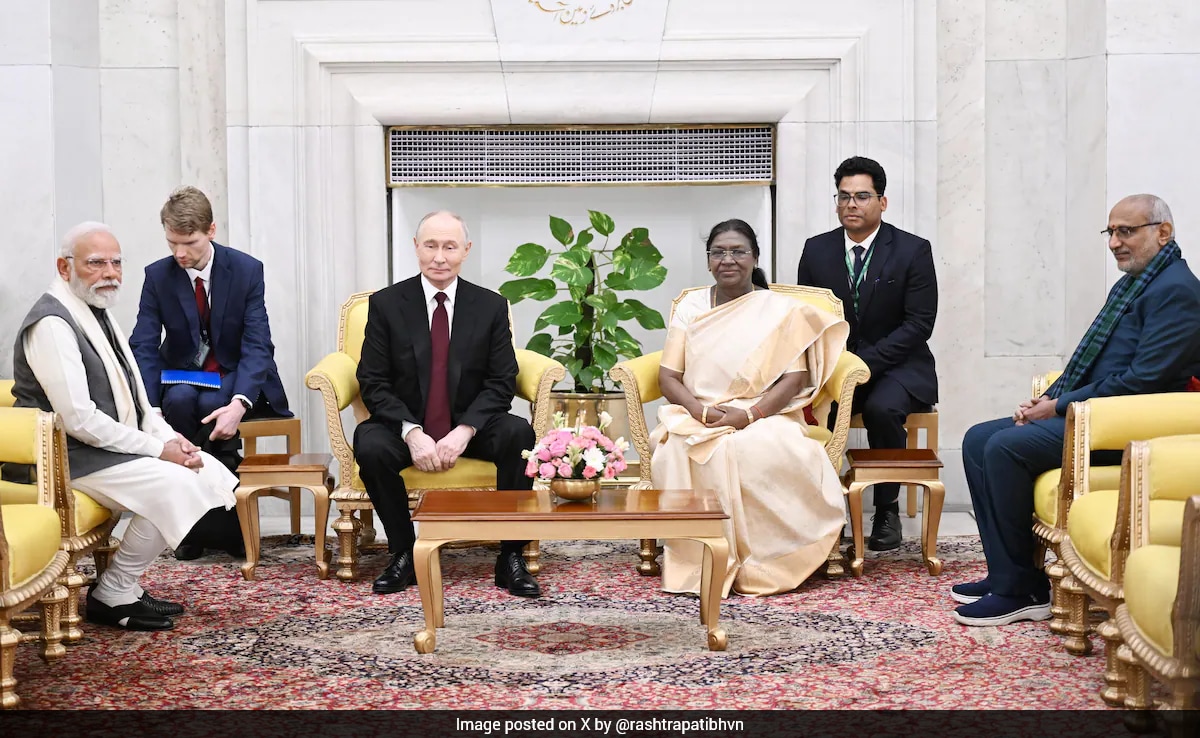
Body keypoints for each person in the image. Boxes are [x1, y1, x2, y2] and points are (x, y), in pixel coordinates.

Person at [954, 194, 1200, 626]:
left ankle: (1023, 593)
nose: (1115, 242)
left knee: (1004, 448)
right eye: (1111, 232)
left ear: (1163, 232)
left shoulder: (1177, 292)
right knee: (977, 438)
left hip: (1129, 425)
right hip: (1096, 411)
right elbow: (1093, 359)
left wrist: (1059, 405)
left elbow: (1144, 381)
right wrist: (1050, 395)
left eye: (1127, 231)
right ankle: (1006, 574)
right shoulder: (1136, 282)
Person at [11, 222, 238, 631]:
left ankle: (124, 588)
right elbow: (78, 419)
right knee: (179, 483)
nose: (110, 272)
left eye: (115, 262)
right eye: (95, 263)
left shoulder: (98, 312)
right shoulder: (52, 324)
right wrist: (157, 450)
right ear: (65, 268)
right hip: (65, 459)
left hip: (100, 449)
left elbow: (136, 398)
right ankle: (113, 591)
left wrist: (170, 438)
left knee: (206, 470)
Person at [651, 219, 849, 597]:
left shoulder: (778, 310)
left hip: (764, 412)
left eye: (738, 251)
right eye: (719, 252)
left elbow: (793, 379)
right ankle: (706, 560)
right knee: (683, 448)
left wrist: (749, 415)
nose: (728, 259)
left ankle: (767, 562)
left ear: (754, 257)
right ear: (708, 260)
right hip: (699, 413)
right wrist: (701, 412)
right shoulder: (691, 305)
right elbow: (668, 377)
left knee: (756, 447)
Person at [353, 210, 539, 598]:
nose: (439, 256)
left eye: (449, 247)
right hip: (405, 425)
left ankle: (511, 555)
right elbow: (373, 381)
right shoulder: (387, 304)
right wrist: (412, 432)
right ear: (416, 248)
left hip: (470, 424)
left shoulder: (489, 306)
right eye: (431, 245)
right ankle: (403, 552)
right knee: (369, 443)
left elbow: (501, 381)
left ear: (465, 251)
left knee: (518, 433)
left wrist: (464, 431)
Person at [130, 186, 291, 561]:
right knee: (181, 401)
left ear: (211, 231)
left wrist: (240, 404)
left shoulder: (247, 270)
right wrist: (149, 407)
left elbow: (258, 344)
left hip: (234, 374)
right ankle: (203, 528)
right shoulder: (158, 276)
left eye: (189, 243)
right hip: (183, 375)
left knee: (211, 405)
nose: (180, 253)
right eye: (172, 243)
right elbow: (143, 343)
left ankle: (219, 527)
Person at [797, 156, 938, 551]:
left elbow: (919, 324)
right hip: (835, 365)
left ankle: (886, 509)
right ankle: (818, 507)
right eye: (844, 197)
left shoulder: (912, 250)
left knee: (882, 409)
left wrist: (866, 363)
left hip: (897, 364)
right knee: (798, 405)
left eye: (861, 196)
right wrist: (832, 366)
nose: (851, 205)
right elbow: (806, 317)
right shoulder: (817, 250)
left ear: (882, 201)